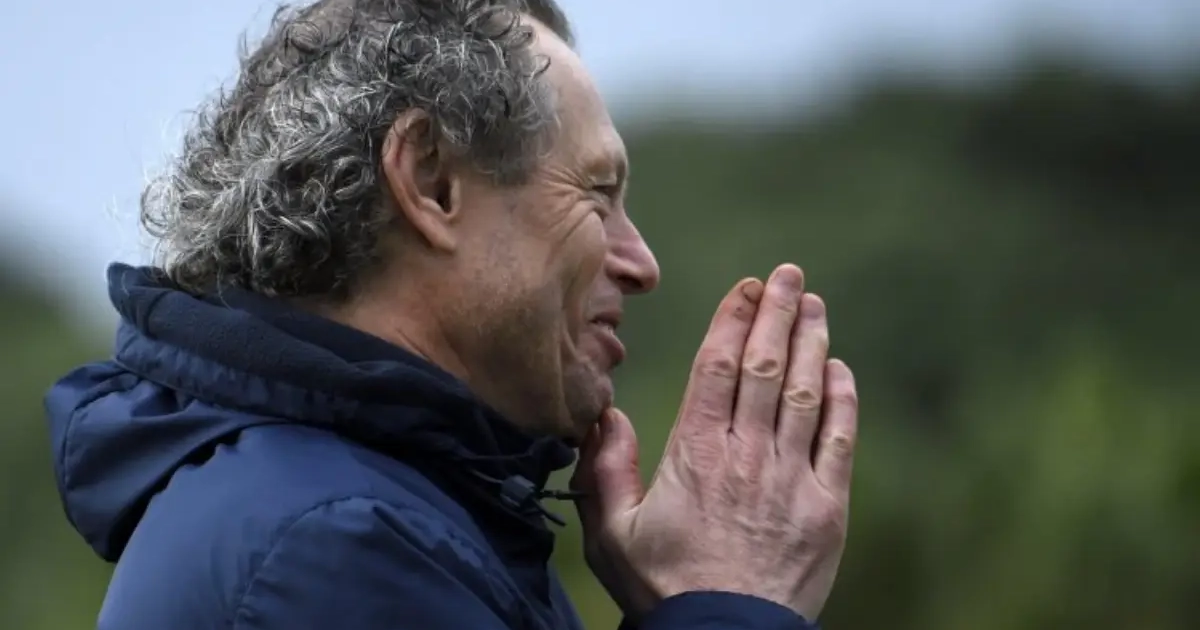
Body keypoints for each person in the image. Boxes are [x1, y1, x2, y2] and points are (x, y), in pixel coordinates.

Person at [45, 1, 859, 628]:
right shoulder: (335, 546)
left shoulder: (349, 506)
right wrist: (727, 598)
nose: (641, 263)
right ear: (431, 182)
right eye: (597, 194)